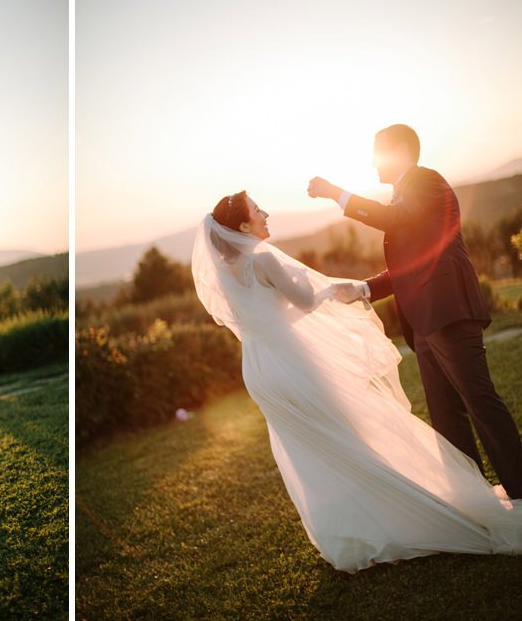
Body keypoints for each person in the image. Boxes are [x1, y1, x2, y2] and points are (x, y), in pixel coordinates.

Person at [191, 191, 521, 573]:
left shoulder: (223, 276)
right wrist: (342, 288)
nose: (266, 214)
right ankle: (420, 513)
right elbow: (304, 300)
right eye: (257, 211)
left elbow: (263, 320)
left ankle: (354, 533)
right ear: (244, 227)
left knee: (316, 452)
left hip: (262, 371)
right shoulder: (262, 258)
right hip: (294, 365)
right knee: (356, 433)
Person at [308, 124, 522, 499]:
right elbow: (414, 262)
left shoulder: (425, 182)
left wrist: (336, 194)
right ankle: (474, 499)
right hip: (423, 320)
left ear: (402, 153)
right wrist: (366, 288)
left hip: (449, 311)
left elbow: (392, 220)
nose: (372, 163)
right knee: (445, 417)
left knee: (480, 403)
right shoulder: (407, 194)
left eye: (378, 153)